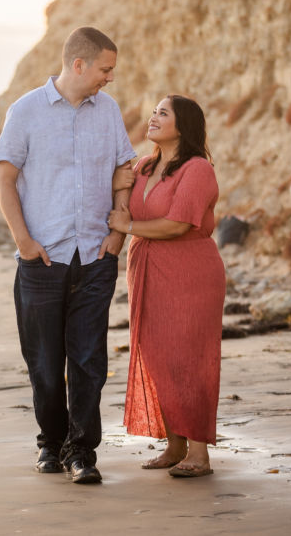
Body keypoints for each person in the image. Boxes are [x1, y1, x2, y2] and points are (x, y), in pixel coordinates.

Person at [0, 27, 136, 484]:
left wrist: (119, 230)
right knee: (44, 363)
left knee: (90, 360)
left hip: (95, 257)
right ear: (79, 65)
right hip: (42, 261)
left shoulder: (108, 110)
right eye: (105, 69)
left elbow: (123, 170)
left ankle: (82, 452)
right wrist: (24, 242)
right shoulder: (26, 111)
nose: (109, 79)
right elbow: (5, 179)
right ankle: (49, 443)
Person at [107, 94, 225, 478]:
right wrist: (116, 183)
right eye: (153, 111)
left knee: (188, 358)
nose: (153, 117)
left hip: (190, 272)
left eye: (163, 113)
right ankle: (174, 446)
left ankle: (199, 452)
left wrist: (126, 228)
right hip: (146, 270)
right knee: (156, 356)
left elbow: (177, 225)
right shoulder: (144, 166)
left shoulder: (197, 169)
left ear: (183, 124)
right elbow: (122, 203)